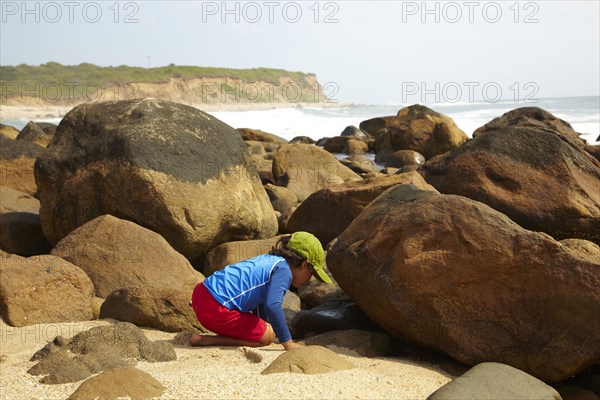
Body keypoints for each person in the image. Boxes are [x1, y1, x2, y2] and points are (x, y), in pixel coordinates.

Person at [190, 231, 332, 350]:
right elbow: (272, 305)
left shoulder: (269, 260)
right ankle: (207, 340)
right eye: (311, 274)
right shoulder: (284, 271)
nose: (308, 280)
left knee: (266, 330)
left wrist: (263, 324)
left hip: (201, 293)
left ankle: (207, 338)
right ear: (304, 264)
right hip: (214, 307)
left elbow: (261, 302)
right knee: (267, 337)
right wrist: (287, 342)